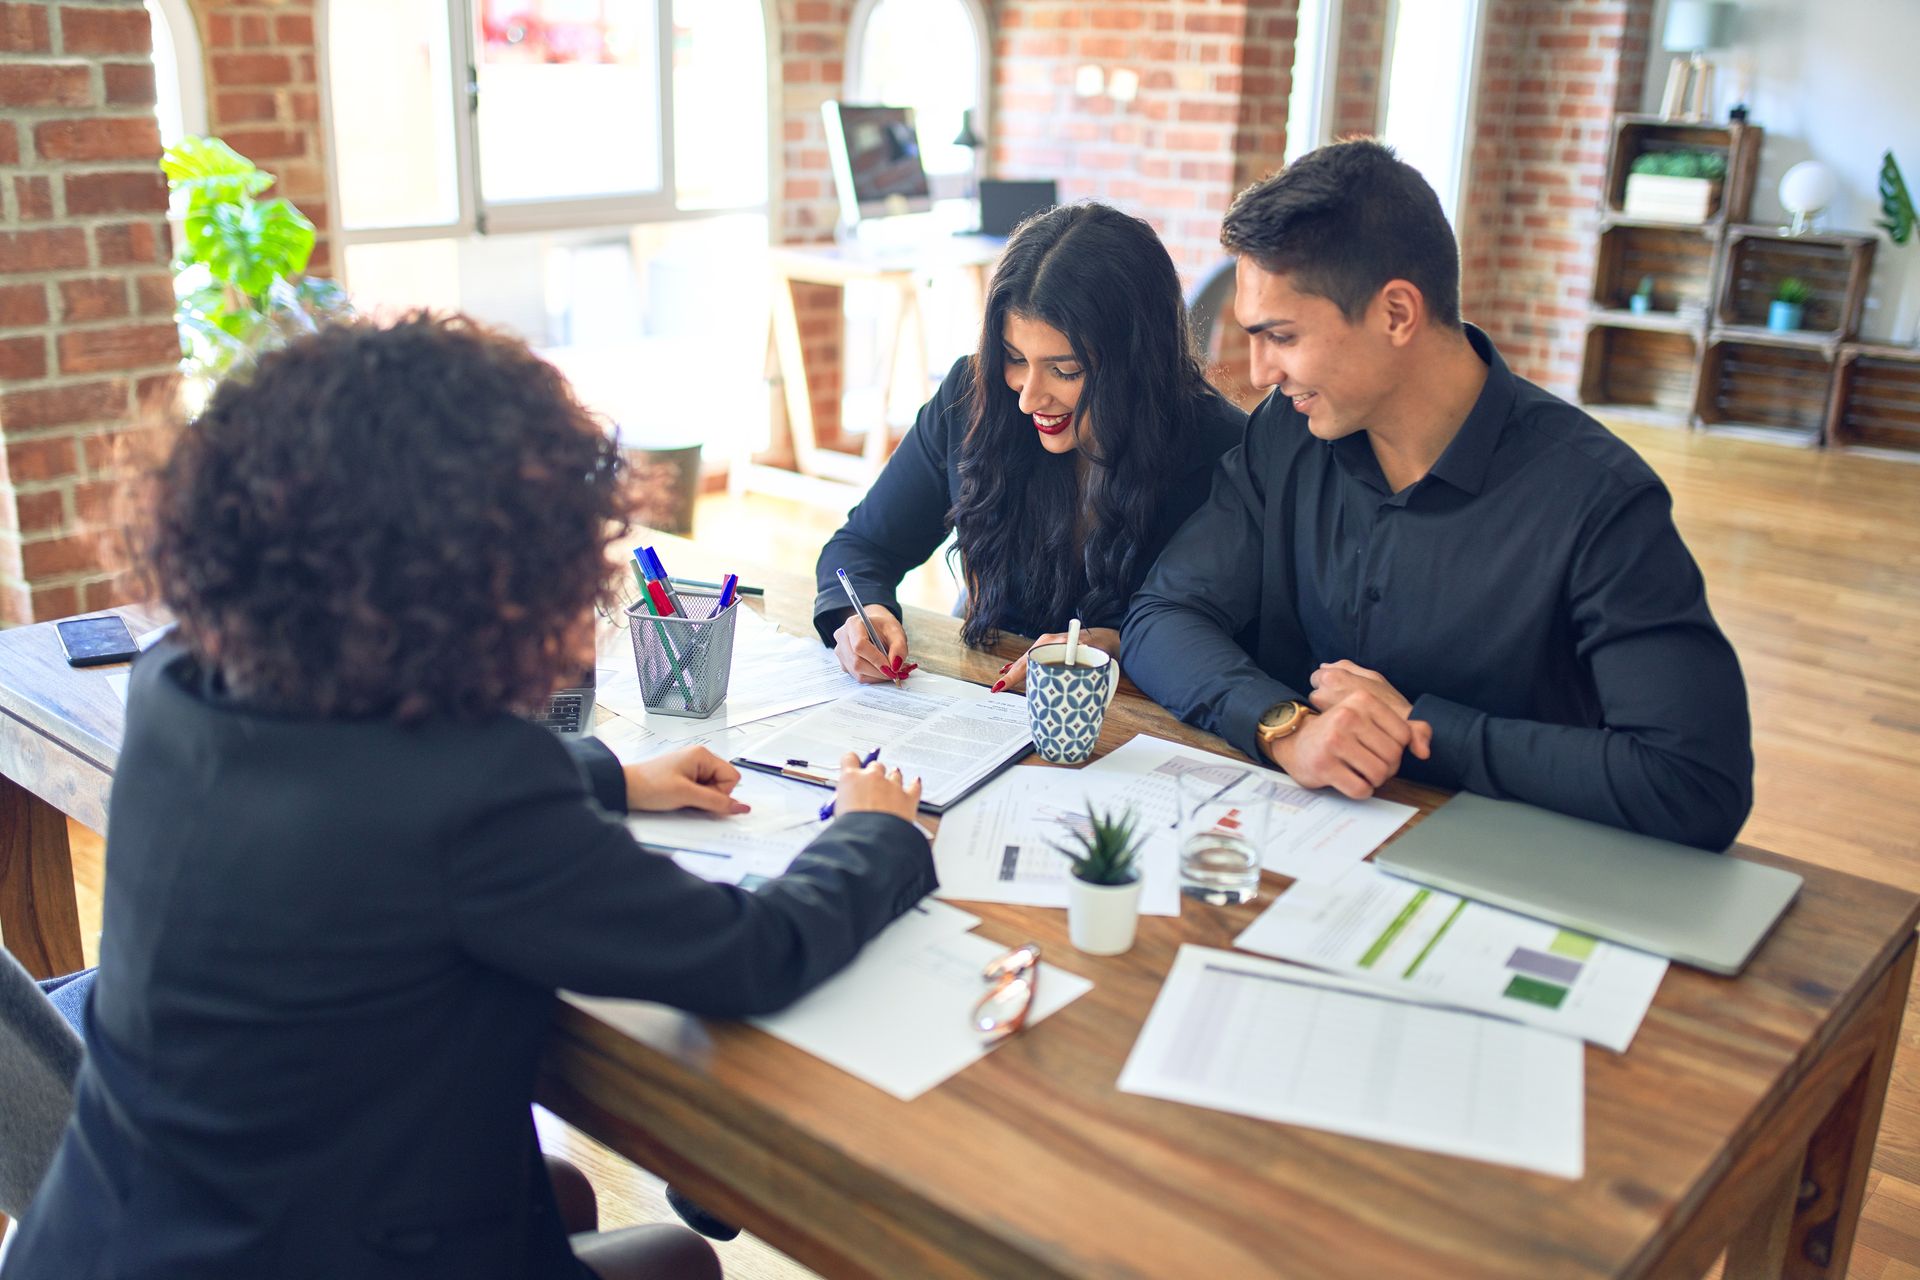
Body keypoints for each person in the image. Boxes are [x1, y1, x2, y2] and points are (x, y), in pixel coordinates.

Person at [2, 314, 936, 1280]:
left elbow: (355, 805)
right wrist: (873, 835)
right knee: (678, 1260)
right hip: (306, 1249)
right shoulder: (475, 793)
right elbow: (750, 955)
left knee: (562, 1194)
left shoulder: (182, 683)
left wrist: (610, 776)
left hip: (114, 1235)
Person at [1122, 140, 1753, 850]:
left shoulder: (1601, 501)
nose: (1260, 370)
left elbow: (1696, 783)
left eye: (1282, 336)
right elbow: (1163, 614)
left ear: (1396, 313)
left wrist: (1424, 732)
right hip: (1298, 844)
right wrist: (1284, 726)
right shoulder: (1289, 433)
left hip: (1509, 872)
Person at [814, 202, 1246, 691]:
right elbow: (863, 546)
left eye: (1066, 371)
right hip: (988, 706)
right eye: (1015, 358)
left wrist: (1125, 647)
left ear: (1138, 364)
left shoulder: (1225, 450)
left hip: (1142, 720)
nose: (1028, 398)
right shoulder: (971, 398)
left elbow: (1242, 641)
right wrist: (863, 612)